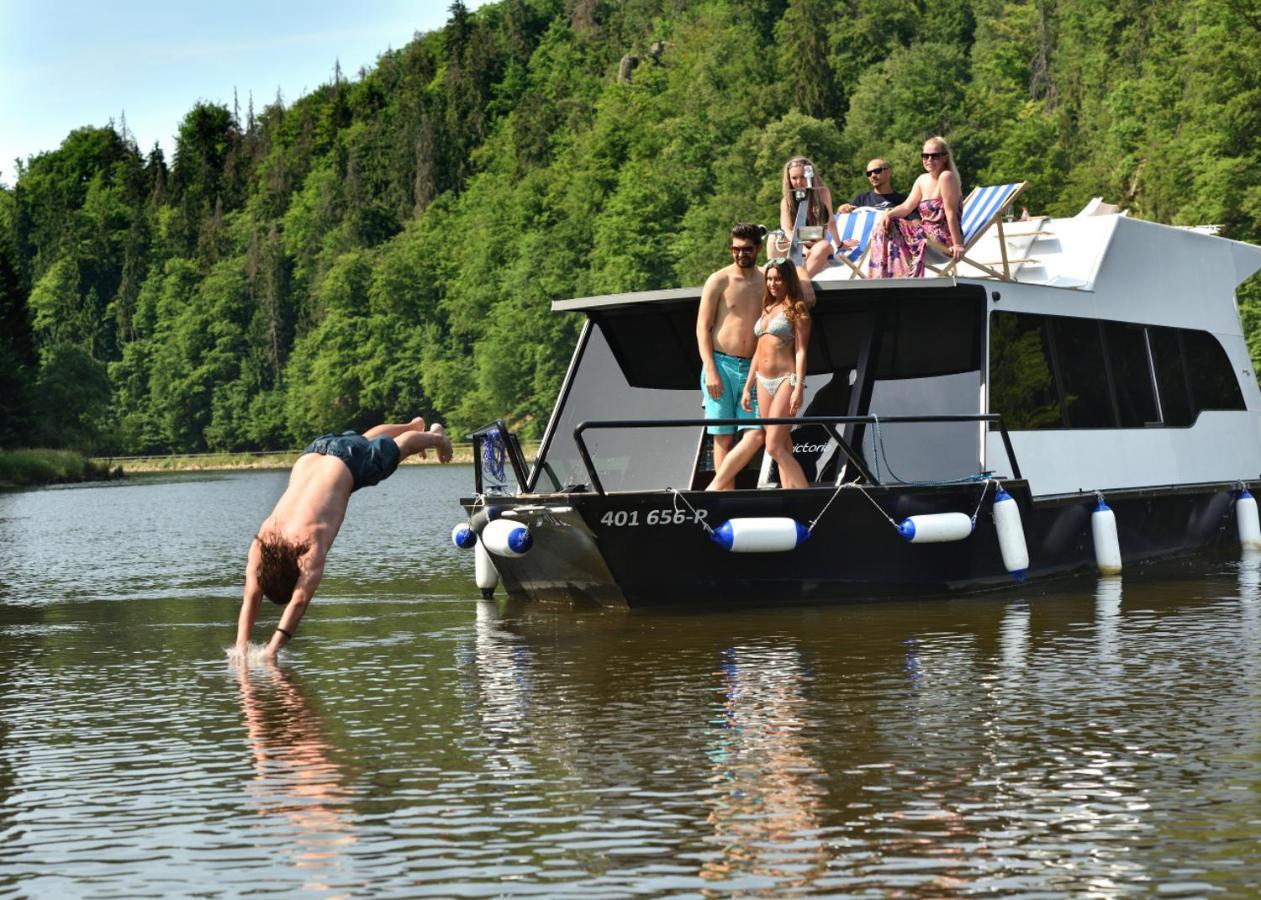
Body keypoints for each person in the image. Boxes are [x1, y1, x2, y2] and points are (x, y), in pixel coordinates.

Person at [234, 418, 453, 659]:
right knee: (364, 441)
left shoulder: (310, 549)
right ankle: (413, 426)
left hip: (348, 465)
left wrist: (271, 651)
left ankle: (435, 436)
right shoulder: (262, 542)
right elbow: (251, 595)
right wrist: (241, 645)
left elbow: (297, 603)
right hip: (315, 452)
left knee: (400, 448)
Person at [697, 224, 766, 490]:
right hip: (721, 364)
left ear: (758, 248)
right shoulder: (719, 280)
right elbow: (703, 327)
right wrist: (711, 369)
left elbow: (794, 271)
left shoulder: (766, 280)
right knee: (723, 438)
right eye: (735, 249)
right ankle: (724, 497)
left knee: (757, 433)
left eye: (746, 249)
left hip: (753, 368)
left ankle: (714, 488)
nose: (740, 254)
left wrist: (805, 284)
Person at [735, 258, 811, 490]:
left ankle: (806, 495)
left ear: (788, 280)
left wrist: (798, 386)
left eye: (778, 278)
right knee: (783, 444)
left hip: (784, 381)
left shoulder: (796, 308)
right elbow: (758, 352)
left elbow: (800, 350)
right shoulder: (767, 308)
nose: (773, 283)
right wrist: (748, 386)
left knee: (773, 446)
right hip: (762, 381)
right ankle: (790, 495)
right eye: (769, 278)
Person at [867, 136, 966, 278]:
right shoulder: (922, 179)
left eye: (934, 156)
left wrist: (957, 245)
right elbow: (907, 207)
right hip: (925, 234)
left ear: (944, 157)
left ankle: (899, 276)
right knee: (884, 225)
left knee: (893, 225)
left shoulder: (947, 177)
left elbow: (950, 214)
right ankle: (885, 276)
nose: (929, 160)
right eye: (925, 156)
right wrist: (887, 214)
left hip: (944, 239)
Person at [776, 156, 845, 278]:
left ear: (810, 176)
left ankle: (799, 283)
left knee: (823, 244)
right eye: (794, 178)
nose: (798, 182)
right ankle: (777, 275)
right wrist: (802, 248)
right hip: (796, 241)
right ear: (788, 179)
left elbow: (830, 222)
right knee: (774, 240)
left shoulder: (822, 193)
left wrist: (839, 244)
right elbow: (786, 229)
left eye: (802, 177)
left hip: (816, 239)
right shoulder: (787, 201)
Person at [836, 157, 909, 213]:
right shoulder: (861, 200)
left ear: (889, 172)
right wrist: (842, 210)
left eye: (877, 171)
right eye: (869, 173)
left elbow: (915, 225)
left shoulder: (904, 201)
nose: (873, 175)